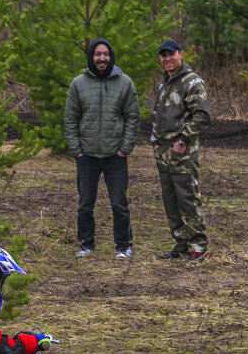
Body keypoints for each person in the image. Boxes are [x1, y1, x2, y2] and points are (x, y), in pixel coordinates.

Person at [64, 38, 140, 259]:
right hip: (86, 155)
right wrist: (76, 149)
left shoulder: (124, 82)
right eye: (97, 54)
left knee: (119, 202)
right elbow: (70, 118)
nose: (102, 58)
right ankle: (86, 244)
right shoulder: (79, 83)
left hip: (114, 155)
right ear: (91, 57)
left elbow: (132, 117)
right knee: (85, 203)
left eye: (105, 54)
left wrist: (124, 148)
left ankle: (123, 245)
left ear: (111, 56)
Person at [149, 39, 211, 261]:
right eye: (163, 55)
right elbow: (157, 114)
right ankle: (181, 242)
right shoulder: (163, 84)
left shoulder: (192, 82)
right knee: (170, 198)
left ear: (181, 54)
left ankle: (198, 245)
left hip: (182, 152)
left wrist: (183, 141)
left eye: (171, 54)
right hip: (163, 151)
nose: (167, 59)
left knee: (187, 196)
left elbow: (202, 116)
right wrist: (155, 140)